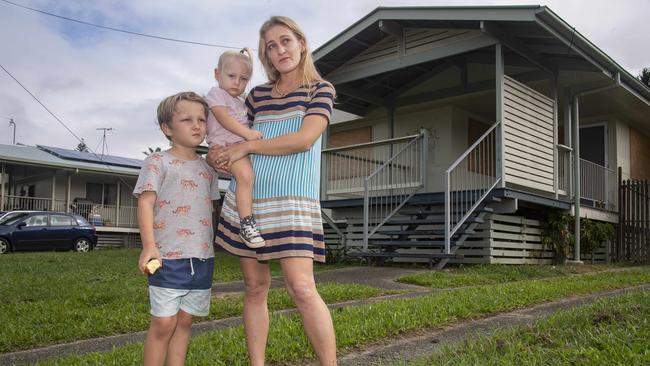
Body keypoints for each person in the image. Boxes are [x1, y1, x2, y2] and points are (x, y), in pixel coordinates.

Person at [208, 16, 337, 366]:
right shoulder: (256, 95)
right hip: (248, 202)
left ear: (302, 43)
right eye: (271, 45)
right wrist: (220, 154)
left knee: (302, 289)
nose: (279, 49)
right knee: (254, 289)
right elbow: (231, 136)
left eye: (285, 41)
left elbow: (303, 139)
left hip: (292, 200)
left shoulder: (320, 89)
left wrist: (244, 149)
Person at [134, 91, 220, 366]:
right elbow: (145, 204)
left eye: (201, 119)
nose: (197, 125)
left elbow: (210, 209)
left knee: (184, 322)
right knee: (163, 323)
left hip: (202, 257)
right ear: (167, 128)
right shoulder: (157, 162)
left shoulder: (209, 170)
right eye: (186, 120)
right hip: (167, 257)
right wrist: (149, 246)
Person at [205, 48, 265, 249]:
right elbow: (223, 119)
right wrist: (248, 135)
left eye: (243, 79)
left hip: (239, 147)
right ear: (217, 74)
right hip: (226, 147)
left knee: (247, 179)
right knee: (246, 177)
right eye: (231, 76)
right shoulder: (216, 94)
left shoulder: (240, 102)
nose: (237, 82)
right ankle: (246, 223)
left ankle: (246, 219)